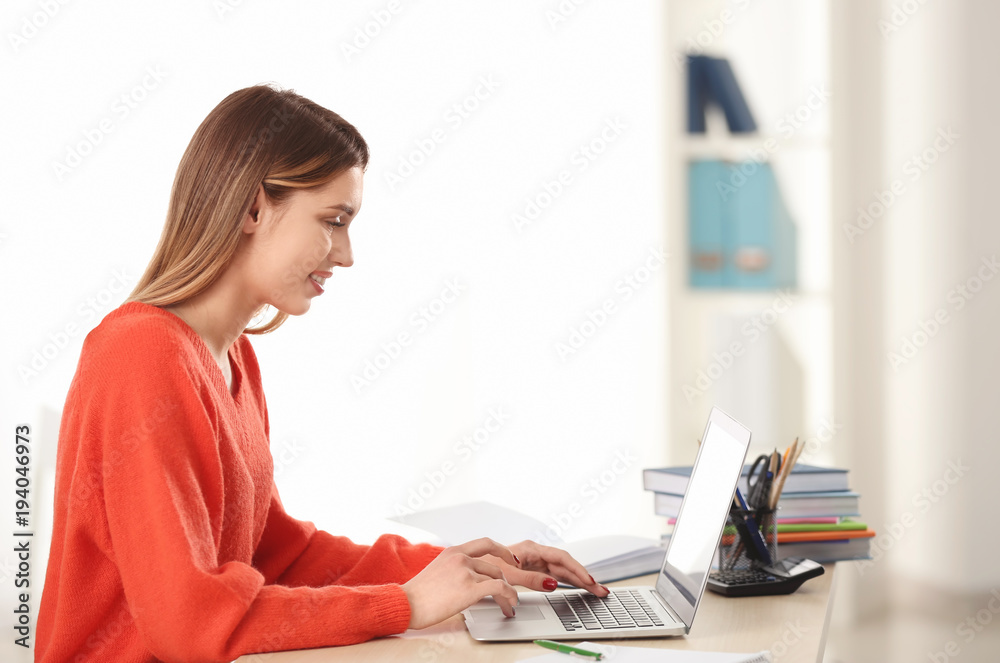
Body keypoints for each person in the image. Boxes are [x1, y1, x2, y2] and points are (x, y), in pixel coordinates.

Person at [35, 83, 609, 662]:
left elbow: (280, 558)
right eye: (334, 220)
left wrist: (457, 569)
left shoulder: (232, 357)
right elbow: (187, 621)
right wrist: (404, 604)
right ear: (253, 208)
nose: (346, 253)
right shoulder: (140, 354)